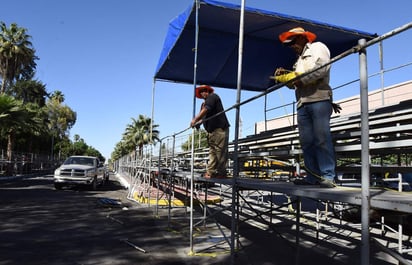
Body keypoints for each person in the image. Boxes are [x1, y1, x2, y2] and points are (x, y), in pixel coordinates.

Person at [275, 27, 339, 188]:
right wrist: (285, 77)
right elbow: (294, 85)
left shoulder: (318, 47)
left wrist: (299, 79)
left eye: (293, 42)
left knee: (321, 138)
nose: (292, 46)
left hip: (319, 99)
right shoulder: (298, 62)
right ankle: (312, 177)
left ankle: (328, 176)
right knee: (307, 142)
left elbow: (322, 68)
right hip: (302, 103)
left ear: (303, 38)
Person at [190, 85, 230, 179]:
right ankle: (210, 172)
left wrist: (195, 119)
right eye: (201, 92)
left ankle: (222, 173)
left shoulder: (213, 97)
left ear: (208, 91)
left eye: (204, 90)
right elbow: (204, 117)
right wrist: (198, 123)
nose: (203, 93)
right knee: (212, 152)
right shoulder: (203, 105)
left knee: (220, 151)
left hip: (219, 129)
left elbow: (207, 109)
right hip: (211, 131)